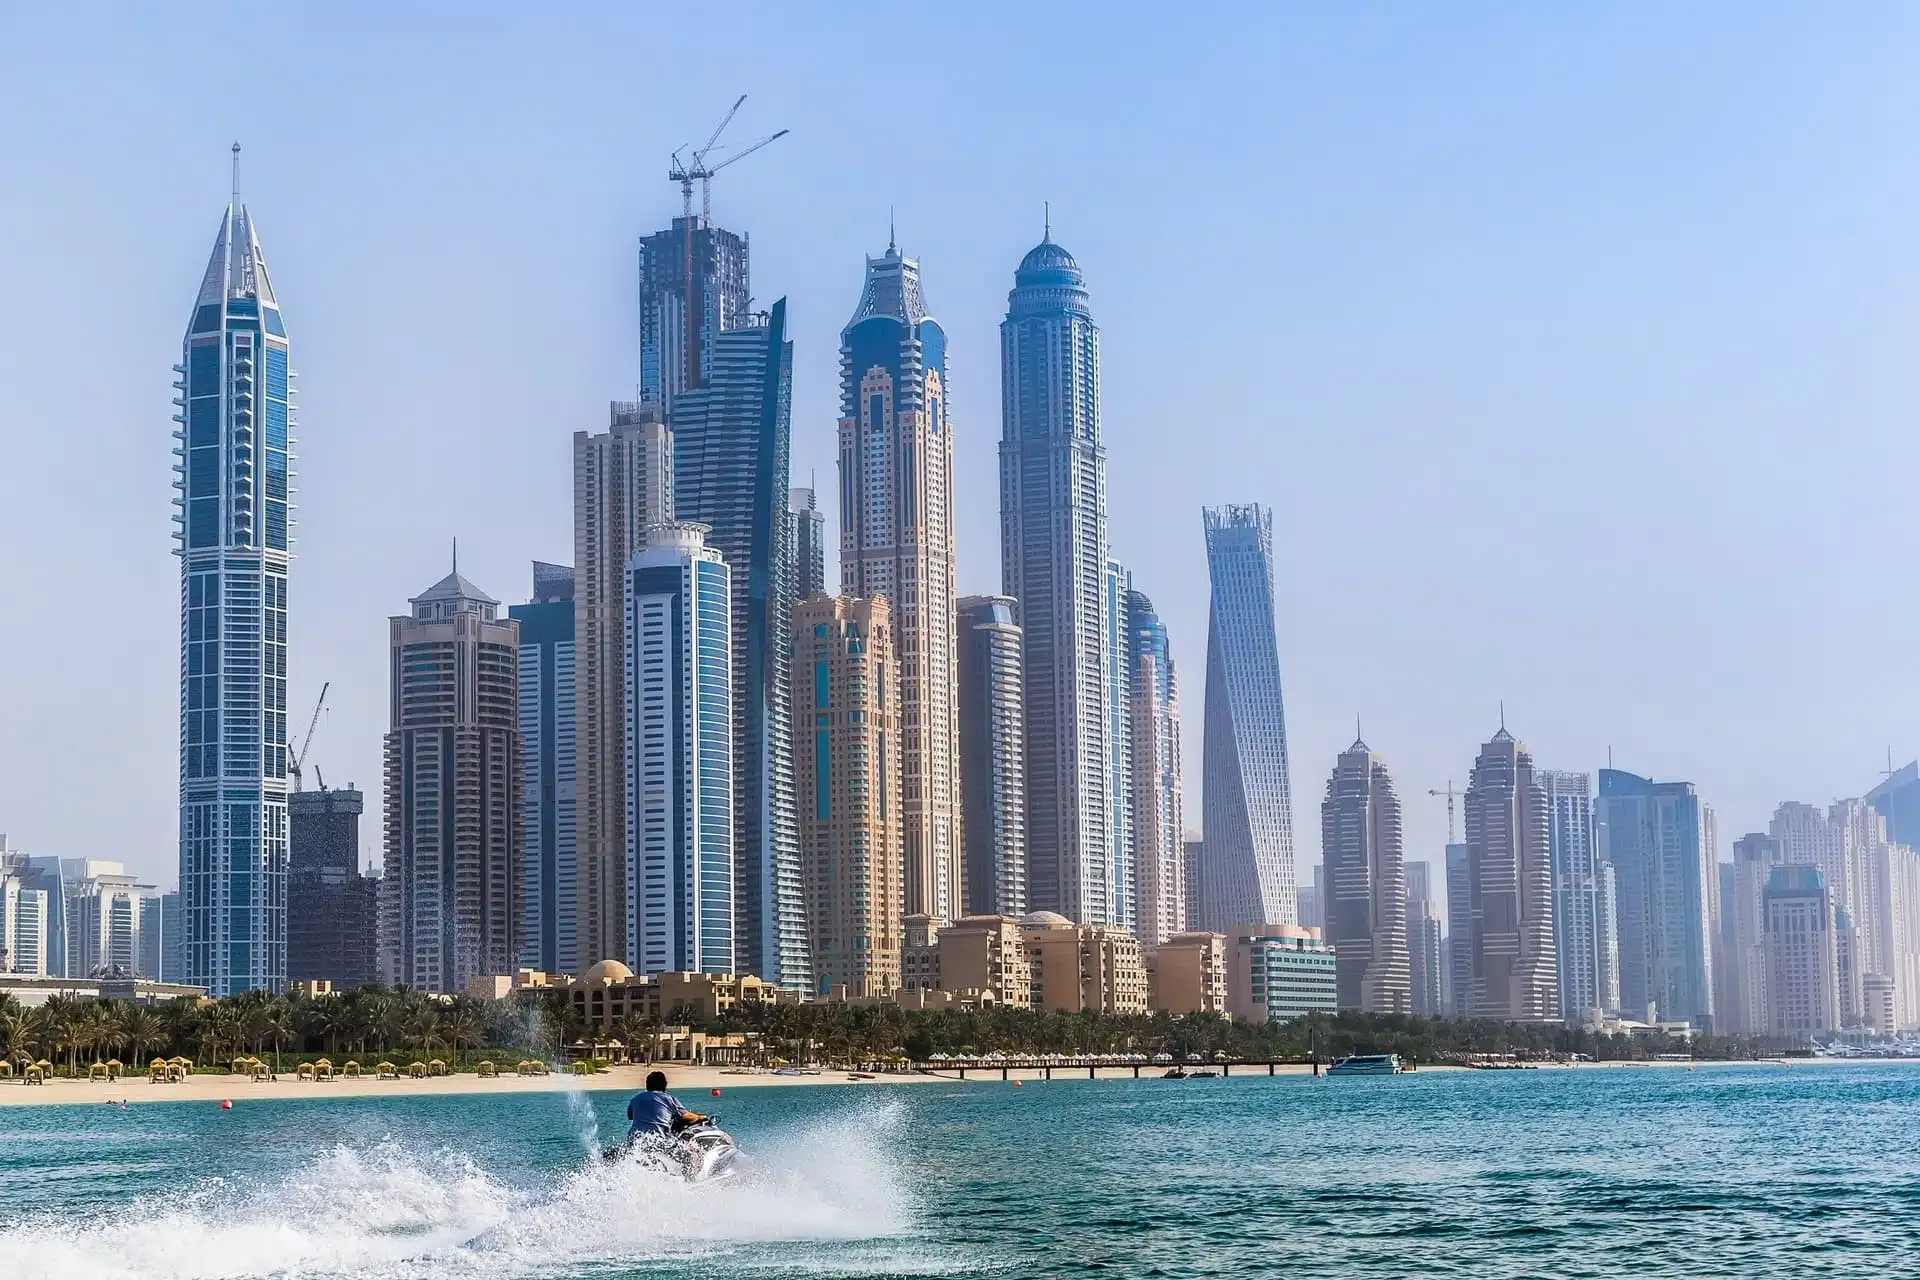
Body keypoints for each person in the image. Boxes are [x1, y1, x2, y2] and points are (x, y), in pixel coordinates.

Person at [626, 1070, 706, 1141]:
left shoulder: (635, 1099)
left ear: (647, 1085)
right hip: (657, 1140)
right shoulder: (668, 1099)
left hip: (635, 1139)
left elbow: (630, 1116)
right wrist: (699, 1117)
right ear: (664, 1085)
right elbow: (685, 1116)